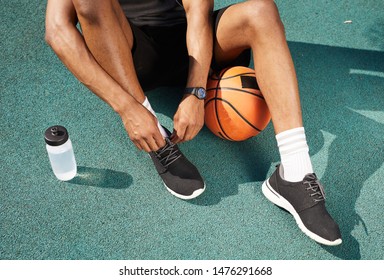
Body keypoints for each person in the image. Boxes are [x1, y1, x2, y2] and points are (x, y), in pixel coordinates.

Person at [45, 0, 342, 246]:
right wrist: (128, 108)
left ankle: (295, 172)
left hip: (194, 46)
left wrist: (196, 92)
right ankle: (158, 140)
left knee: (261, 11)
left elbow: (198, 10)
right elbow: (58, 31)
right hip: (131, 56)